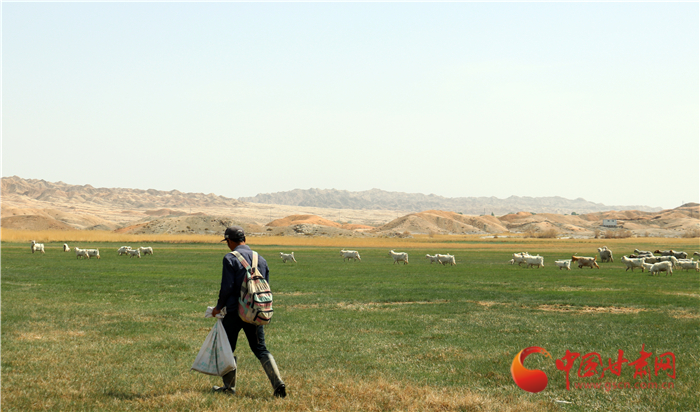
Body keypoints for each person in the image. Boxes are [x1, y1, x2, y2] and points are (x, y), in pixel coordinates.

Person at [211, 226, 286, 398]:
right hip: (255, 312)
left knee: (227, 349)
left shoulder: (230, 258)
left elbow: (227, 288)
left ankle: (229, 388)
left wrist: (217, 307)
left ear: (229, 241)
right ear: (245, 239)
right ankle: (278, 383)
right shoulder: (261, 259)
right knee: (260, 349)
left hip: (233, 313)